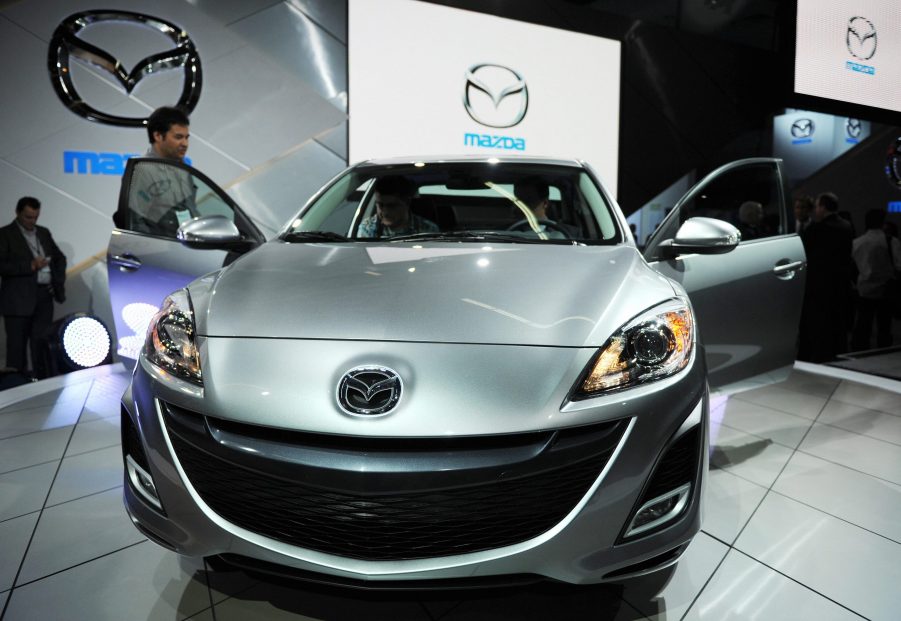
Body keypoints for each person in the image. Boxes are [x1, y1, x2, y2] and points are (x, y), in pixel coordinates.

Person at [0, 197, 67, 378]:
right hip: (17, 299)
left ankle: (41, 383)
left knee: (41, 344)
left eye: (35, 217)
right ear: (18, 213)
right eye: (28, 217)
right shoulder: (5, 234)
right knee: (17, 348)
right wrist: (29, 266)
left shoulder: (43, 233)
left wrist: (56, 281)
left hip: (43, 297)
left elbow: (60, 258)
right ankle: (15, 387)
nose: (32, 221)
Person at [120, 106, 197, 235]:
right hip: (162, 249)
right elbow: (134, 223)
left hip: (187, 245)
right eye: (178, 137)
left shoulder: (183, 168)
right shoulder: (142, 171)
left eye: (186, 137)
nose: (185, 143)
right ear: (158, 136)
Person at [797, 192, 854, 362]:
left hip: (818, 285)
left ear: (823, 207)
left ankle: (815, 355)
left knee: (817, 325)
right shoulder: (846, 226)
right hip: (840, 283)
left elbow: (804, 253)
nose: (815, 210)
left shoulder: (817, 228)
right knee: (836, 322)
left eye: (817, 206)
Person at [850, 209, 901, 350]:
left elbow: (853, 265)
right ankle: (883, 349)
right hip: (886, 288)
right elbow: (898, 265)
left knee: (864, 323)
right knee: (884, 325)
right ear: (882, 222)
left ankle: (860, 350)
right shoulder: (891, 241)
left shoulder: (857, 243)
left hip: (864, 288)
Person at [357, 176, 438, 238]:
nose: (385, 212)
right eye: (380, 205)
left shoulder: (428, 230)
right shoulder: (368, 228)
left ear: (407, 203)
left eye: (391, 206)